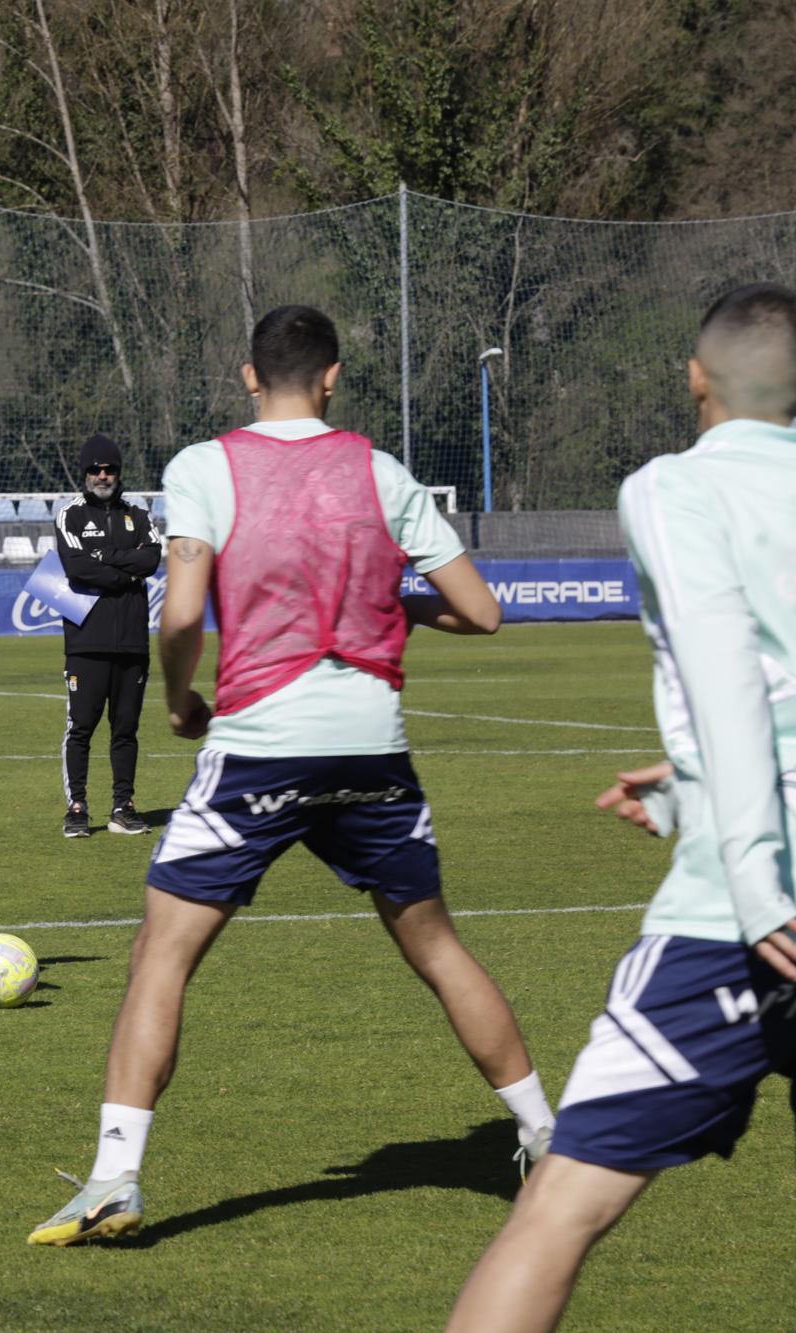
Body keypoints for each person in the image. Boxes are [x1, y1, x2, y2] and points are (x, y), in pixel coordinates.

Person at [29, 305, 555, 1245]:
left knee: (164, 953)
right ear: (334, 377)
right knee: (435, 948)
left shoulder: (205, 466)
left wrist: (183, 699)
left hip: (264, 742)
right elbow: (482, 612)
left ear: (246, 376)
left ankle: (114, 1176)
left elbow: (183, 610)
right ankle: (547, 1137)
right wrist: (394, 596)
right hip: (371, 742)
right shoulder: (381, 471)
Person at [447, 285, 796, 1332]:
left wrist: (745, 870)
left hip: (742, 922)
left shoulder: (670, 491)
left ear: (693, 378)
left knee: (557, 1208)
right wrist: (691, 788)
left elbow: (728, 667)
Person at [53, 433, 163, 838]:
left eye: (110, 469)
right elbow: (76, 567)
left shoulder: (140, 514)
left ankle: (123, 806)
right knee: (81, 727)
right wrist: (124, 568)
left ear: (119, 472)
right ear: (84, 473)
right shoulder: (71, 515)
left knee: (126, 729)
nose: (103, 475)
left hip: (133, 642)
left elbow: (151, 558)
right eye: (96, 469)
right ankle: (77, 808)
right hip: (86, 642)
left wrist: (104, 559)